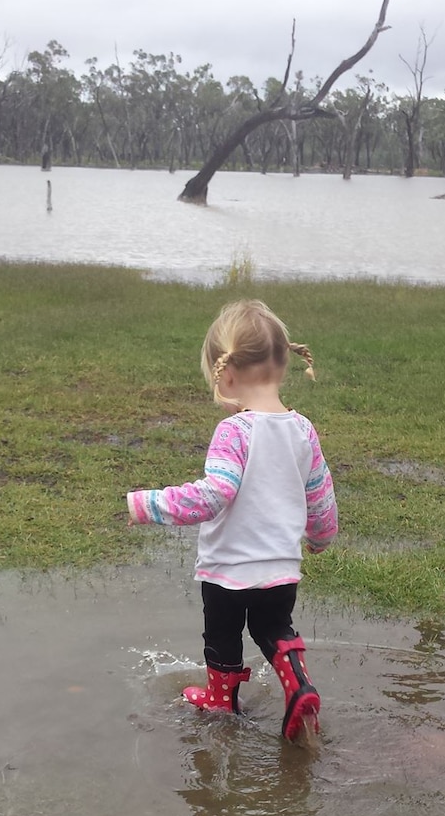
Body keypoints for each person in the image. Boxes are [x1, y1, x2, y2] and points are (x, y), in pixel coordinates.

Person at [127, 299, 338, 742]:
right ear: (283, 363)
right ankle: (299, 684)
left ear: (226, 375)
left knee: (223, 635)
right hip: (280, 569)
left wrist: (148, 505)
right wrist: (321, 535)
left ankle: (221, 700)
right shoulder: (303, 429)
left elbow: (213, 496)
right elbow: (319, 493)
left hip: (228, 570)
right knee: (273, 628)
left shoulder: (235, 431)